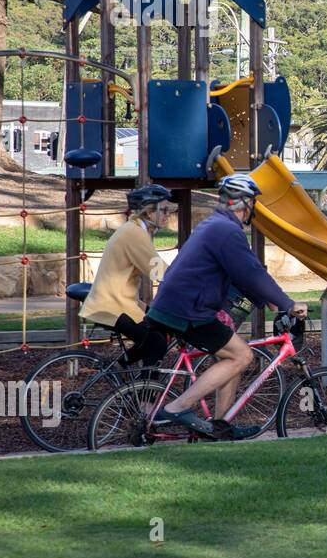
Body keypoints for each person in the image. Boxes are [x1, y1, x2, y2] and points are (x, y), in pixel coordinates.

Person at [147, 173, 307, 435]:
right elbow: (251, 272)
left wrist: (267, 300)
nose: (252, 210)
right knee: (242, 355)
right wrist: (288, 303)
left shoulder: (215, 225)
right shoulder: (226, 230)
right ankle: (177, 408)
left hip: (179, 305)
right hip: (188, 310)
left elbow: (236, 272)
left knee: (231, 356)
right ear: (243, 203)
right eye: (253, 203)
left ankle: (219, 427)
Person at [80, 184, 173, 368]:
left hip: (121, 301)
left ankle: (117, 367)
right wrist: (189, 282)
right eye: (163, 210)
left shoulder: (136, 229)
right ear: (148, 213)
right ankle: (147, 396)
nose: (167, 214)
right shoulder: (134, 233)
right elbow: (159, 271)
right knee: (156, 344)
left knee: (162, 329)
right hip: (112, 305)